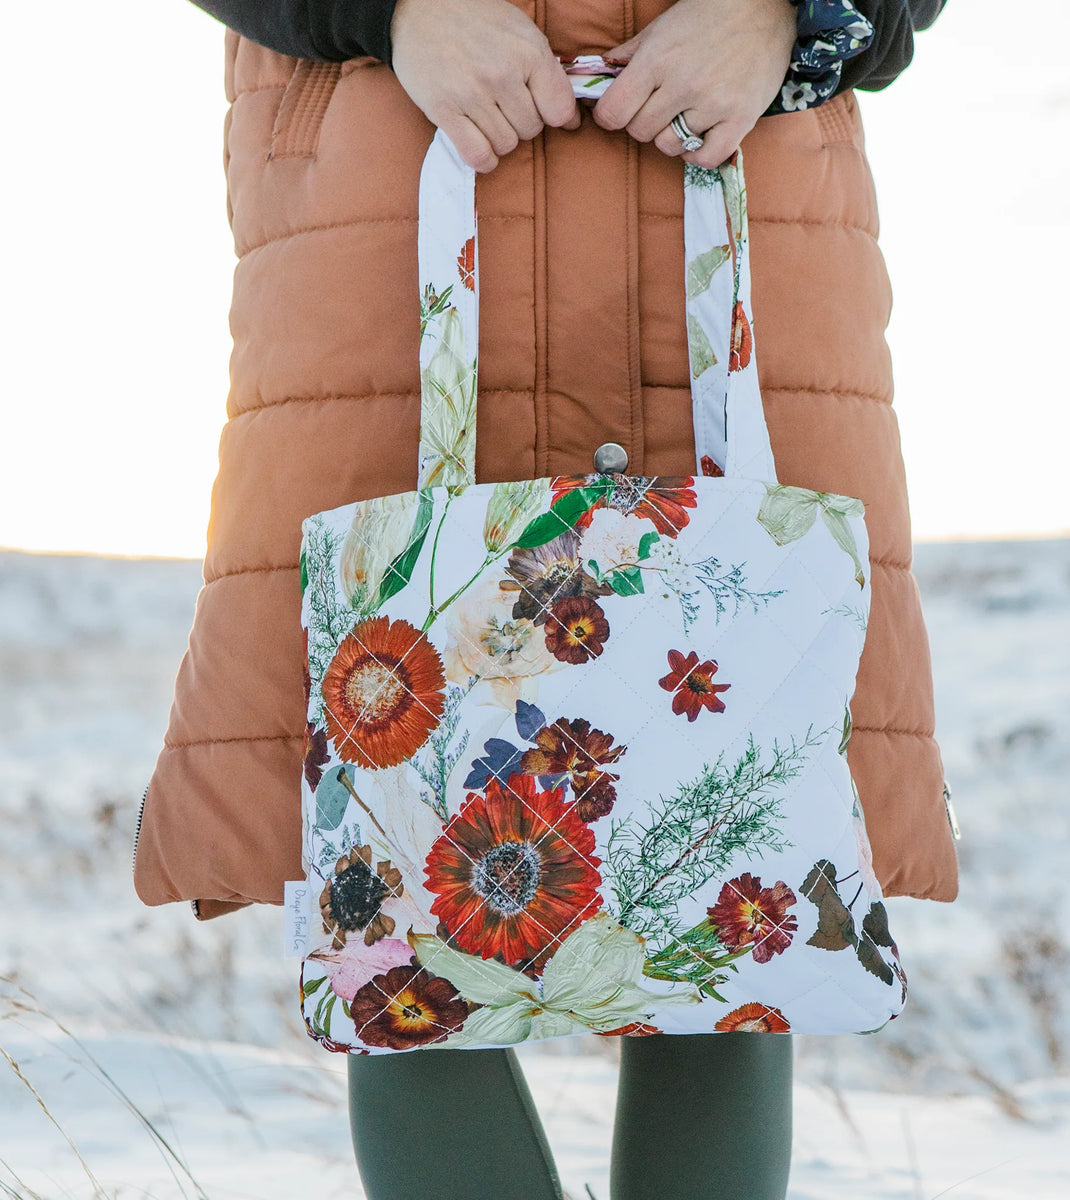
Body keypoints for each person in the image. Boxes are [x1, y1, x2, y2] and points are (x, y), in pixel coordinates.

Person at [142, 2, 955, 1197]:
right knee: (393, 824)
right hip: (395, 185)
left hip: (732, 168)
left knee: (741, 823)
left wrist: (791, 13)